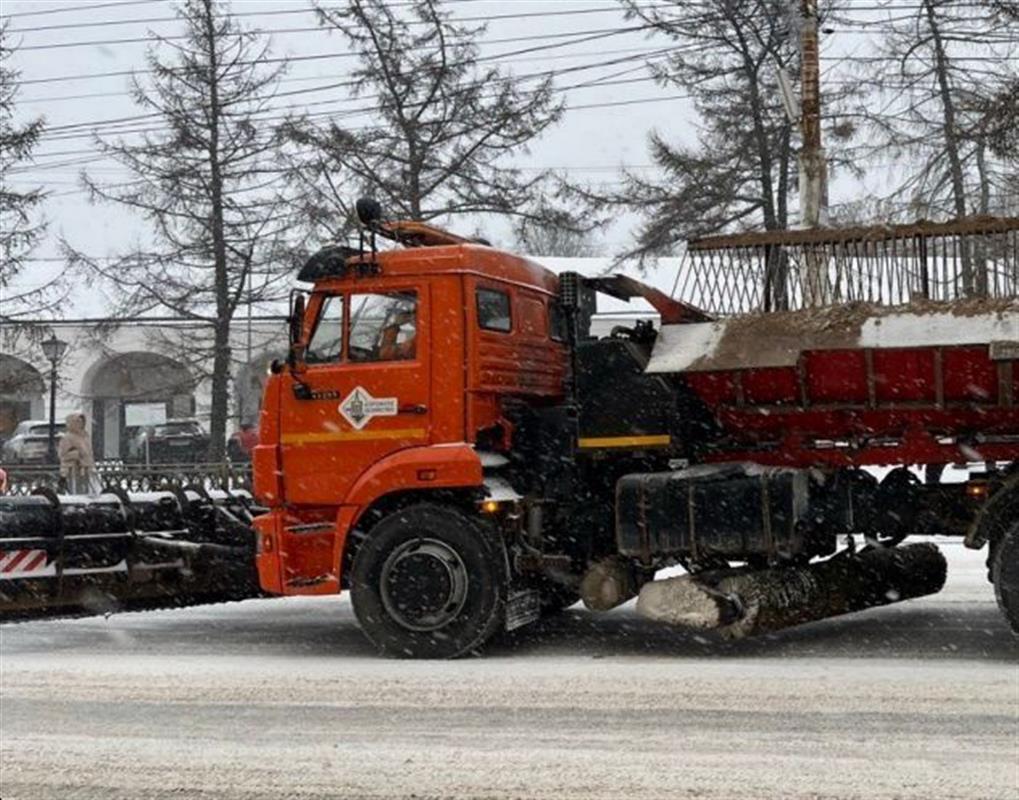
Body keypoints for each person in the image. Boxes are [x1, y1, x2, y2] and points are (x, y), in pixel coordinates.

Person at [58, 412, 98, 495]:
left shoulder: (85, 436)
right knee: (75, 493)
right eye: (78, 421)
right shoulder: (67, 437)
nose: (80, 424)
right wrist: (76, 454)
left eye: (82, 421)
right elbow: (62, 455)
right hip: (72, 471)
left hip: (86, 470)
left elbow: (89, 453)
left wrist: (91, 465)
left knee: (87, 493)